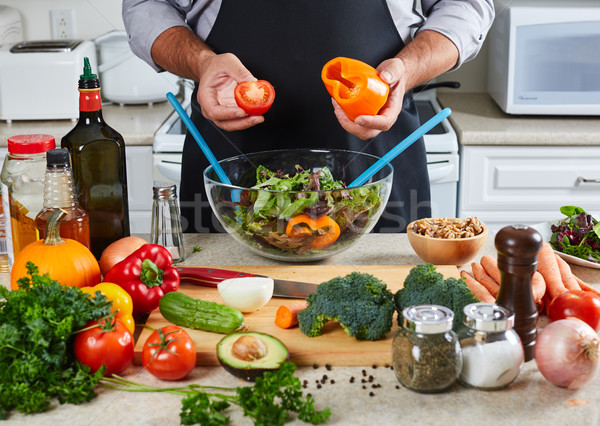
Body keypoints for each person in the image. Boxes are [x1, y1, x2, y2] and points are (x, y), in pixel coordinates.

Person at [123, 0, 494, 233]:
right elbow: (146, 5)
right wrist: (201, 63)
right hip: (227, 162)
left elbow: (467, 5)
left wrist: (408, 69)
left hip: (377, 153)